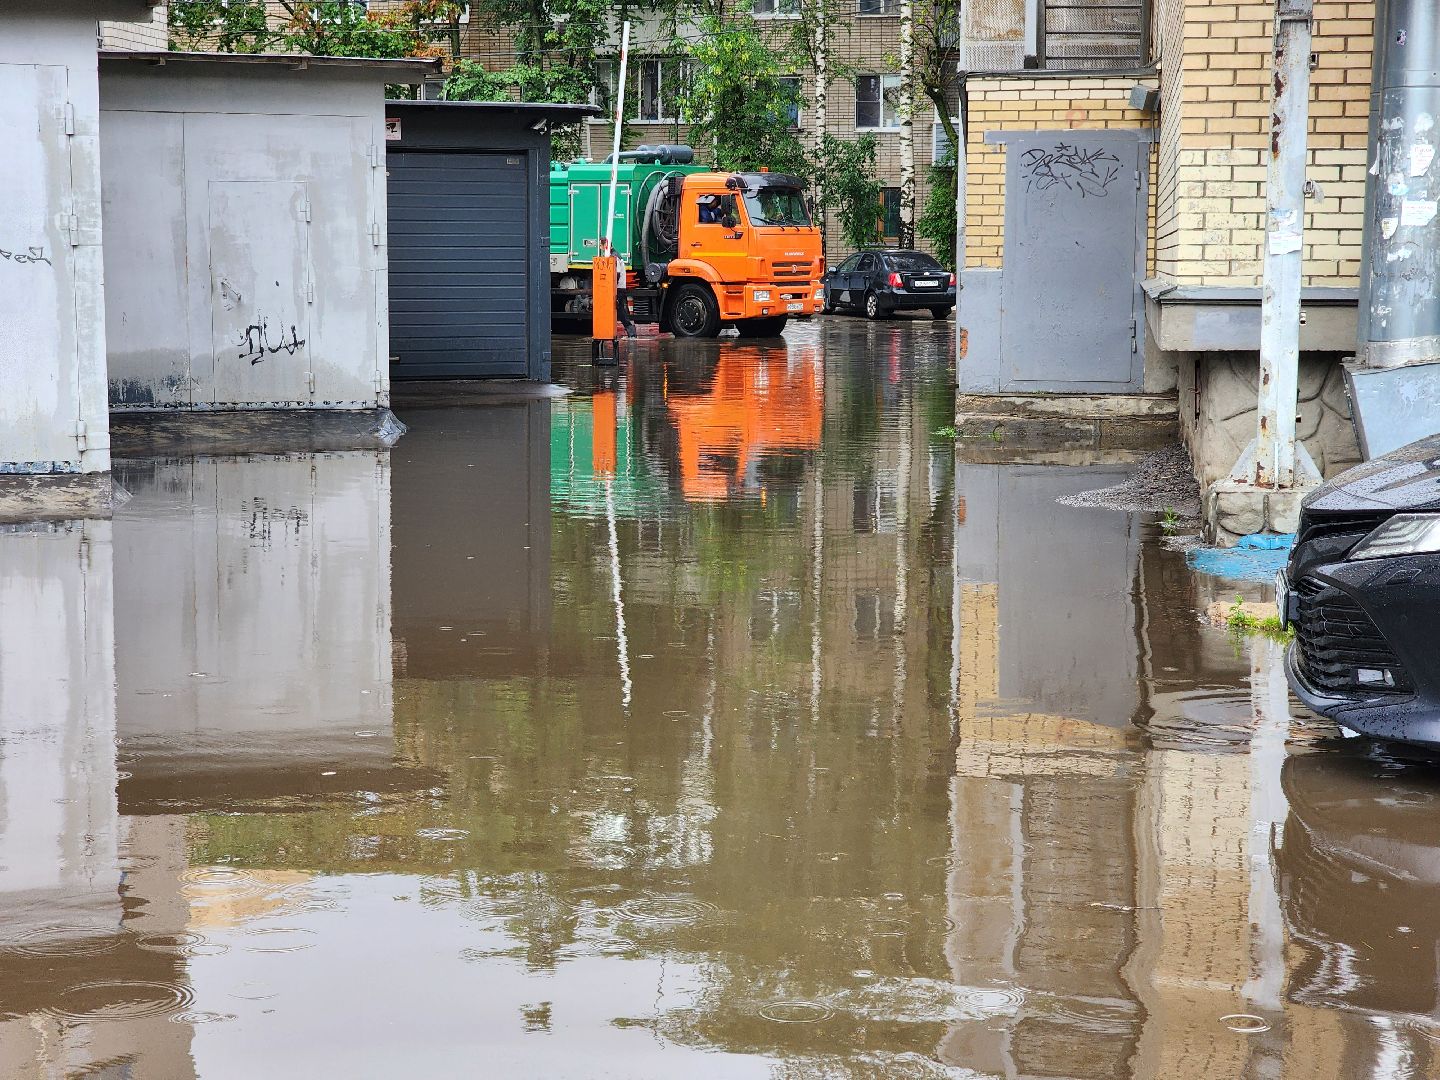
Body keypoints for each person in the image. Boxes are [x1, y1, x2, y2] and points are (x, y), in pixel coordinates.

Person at [613, 249, 637, 338]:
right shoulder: (616, 255)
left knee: (620, 309)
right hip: (620, 287)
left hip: (618, 287)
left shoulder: (614, 256)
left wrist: (613, 285)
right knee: (620, 309)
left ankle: (631, 331)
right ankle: (631, 330)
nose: (600, 247)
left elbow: (617, 273)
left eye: (601, 245)